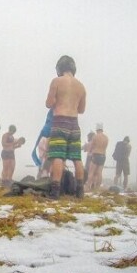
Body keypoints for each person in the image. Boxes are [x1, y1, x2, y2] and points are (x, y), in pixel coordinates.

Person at [45, 55, 86, 199]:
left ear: (59, 68)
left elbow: (49, 103)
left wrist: (57, 100)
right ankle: (80, 190)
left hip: (60, 121)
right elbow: (81, 109)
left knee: (58, 156)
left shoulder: (56, 81)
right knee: (76, 158)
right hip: (74, 124)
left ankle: (55, 191)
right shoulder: (81, 86)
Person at [87, 123, 109, 191]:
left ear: (97, 129)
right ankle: (97, 187)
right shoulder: (106, 138)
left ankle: (88, 187)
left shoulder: (95, 136)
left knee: (91, 172)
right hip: (103, 156)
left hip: (96, 155)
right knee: (99, 172)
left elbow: (91, 146)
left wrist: (89, 153)